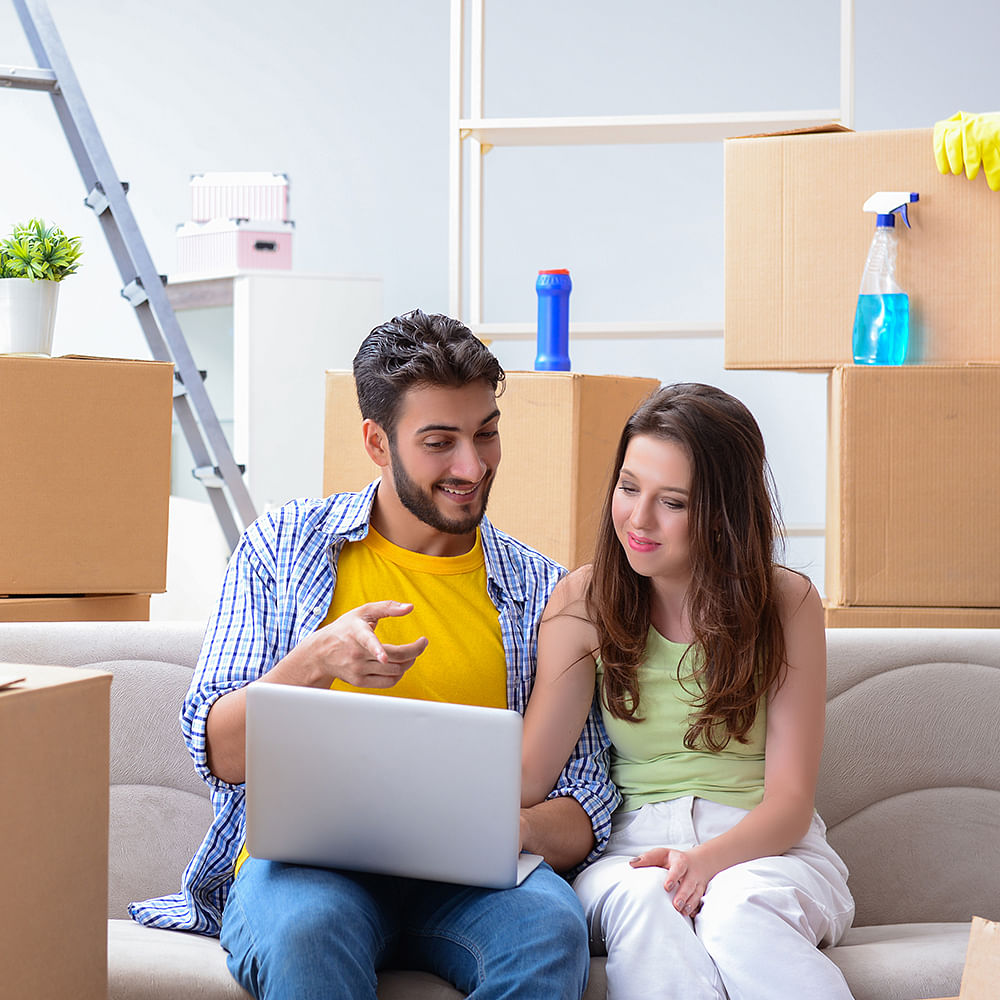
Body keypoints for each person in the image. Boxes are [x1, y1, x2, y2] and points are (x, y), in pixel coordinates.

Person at [130, 309, 618, 1000]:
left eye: (486, 434)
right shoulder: (285, 548)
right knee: (305, 934)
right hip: (306, 876)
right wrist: (317, 661)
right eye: (439, 442)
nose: (471, 466)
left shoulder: (543, 590)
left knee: (548, 932)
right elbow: (219, 750)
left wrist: (508, 828)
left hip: (475, 885)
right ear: (377, 442)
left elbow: (591, 800)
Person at [521, 383, 855, 1000]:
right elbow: (528, 774)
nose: (639, 520)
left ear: (724, 511)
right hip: (632, 852)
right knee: (650, 906)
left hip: (766, 848)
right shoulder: (582, 603)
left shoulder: (788, 603)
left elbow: (788, 801)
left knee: (738, 912)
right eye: (628, 489)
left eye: (672, 502)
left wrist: (706, 862)